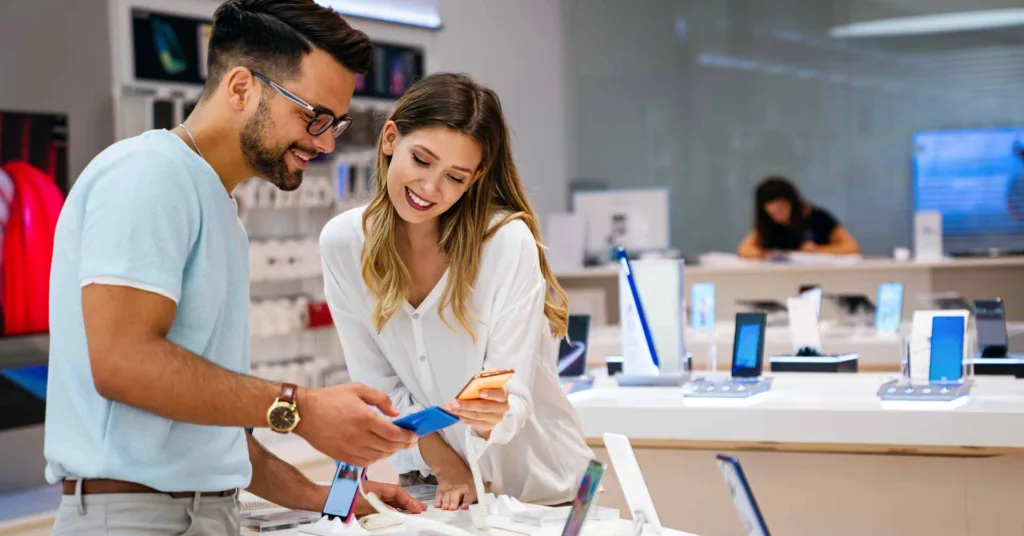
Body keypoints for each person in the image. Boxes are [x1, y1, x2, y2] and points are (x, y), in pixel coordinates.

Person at [44, 1, 424, 534]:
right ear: (242, 86)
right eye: (313, 116)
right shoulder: (149, 175)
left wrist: (333, 497)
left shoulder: (219, 208)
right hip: (135, 518)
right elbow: (123, 363)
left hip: (203, 511)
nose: (325, 141)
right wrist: (303, 408)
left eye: (336, 123)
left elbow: (218, 439)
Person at [319, 73, 593, 509]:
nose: (430, 188)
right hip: (431, 486)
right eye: (422, 161)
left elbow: (513, 398)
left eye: (455, 177)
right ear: (390, 139)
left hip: (538, 493)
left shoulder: (505, 242)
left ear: (476, 177)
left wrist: (493, 413)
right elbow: (377, 386)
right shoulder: (343, 244)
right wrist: (446, 465)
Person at [737, 176, 860, 259]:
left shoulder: (817, 217)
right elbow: (744, 249)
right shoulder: (768, 223)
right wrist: (770, 254)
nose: (778, 217)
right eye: (772, 213)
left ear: (793, 204)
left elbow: (851, 247)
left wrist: (819, 250)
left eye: (782, 210)